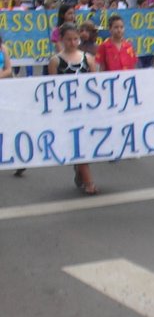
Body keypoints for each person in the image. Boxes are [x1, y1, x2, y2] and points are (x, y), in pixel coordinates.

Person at [49, 23, 99, 195]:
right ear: (62, 40)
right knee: (78, 143)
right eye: (68, 39)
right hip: (67, 110)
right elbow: (53, 87)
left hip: (87, 108)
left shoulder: (88, 58)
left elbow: (96, 83)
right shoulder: (55, 61)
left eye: (75, 39)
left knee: (87, 143)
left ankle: (80, 168)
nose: (72, 42)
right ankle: (88, 181)